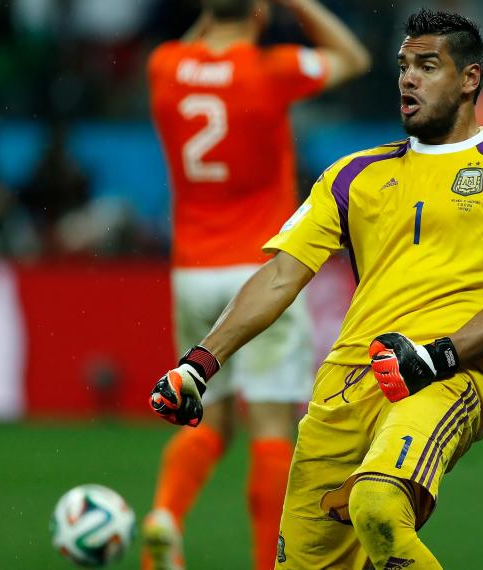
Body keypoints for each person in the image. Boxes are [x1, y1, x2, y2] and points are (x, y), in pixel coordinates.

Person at [149, 8, 483, 569]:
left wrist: (433, 358)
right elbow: (280, 274)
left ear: (470, 79)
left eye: (427, 65)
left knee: (376, 504)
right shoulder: (354, 175)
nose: (408, 78)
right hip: (345, 386)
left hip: (449, 375)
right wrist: (200, 362)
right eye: (403, 66)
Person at [144, 1, 370, 568]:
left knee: (211, 418)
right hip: (258, 276)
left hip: (191, 271)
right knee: (271, 427)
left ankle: (166, 515)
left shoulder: (165, 65)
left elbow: (203, 38)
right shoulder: (271, 69)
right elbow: (354, 57)